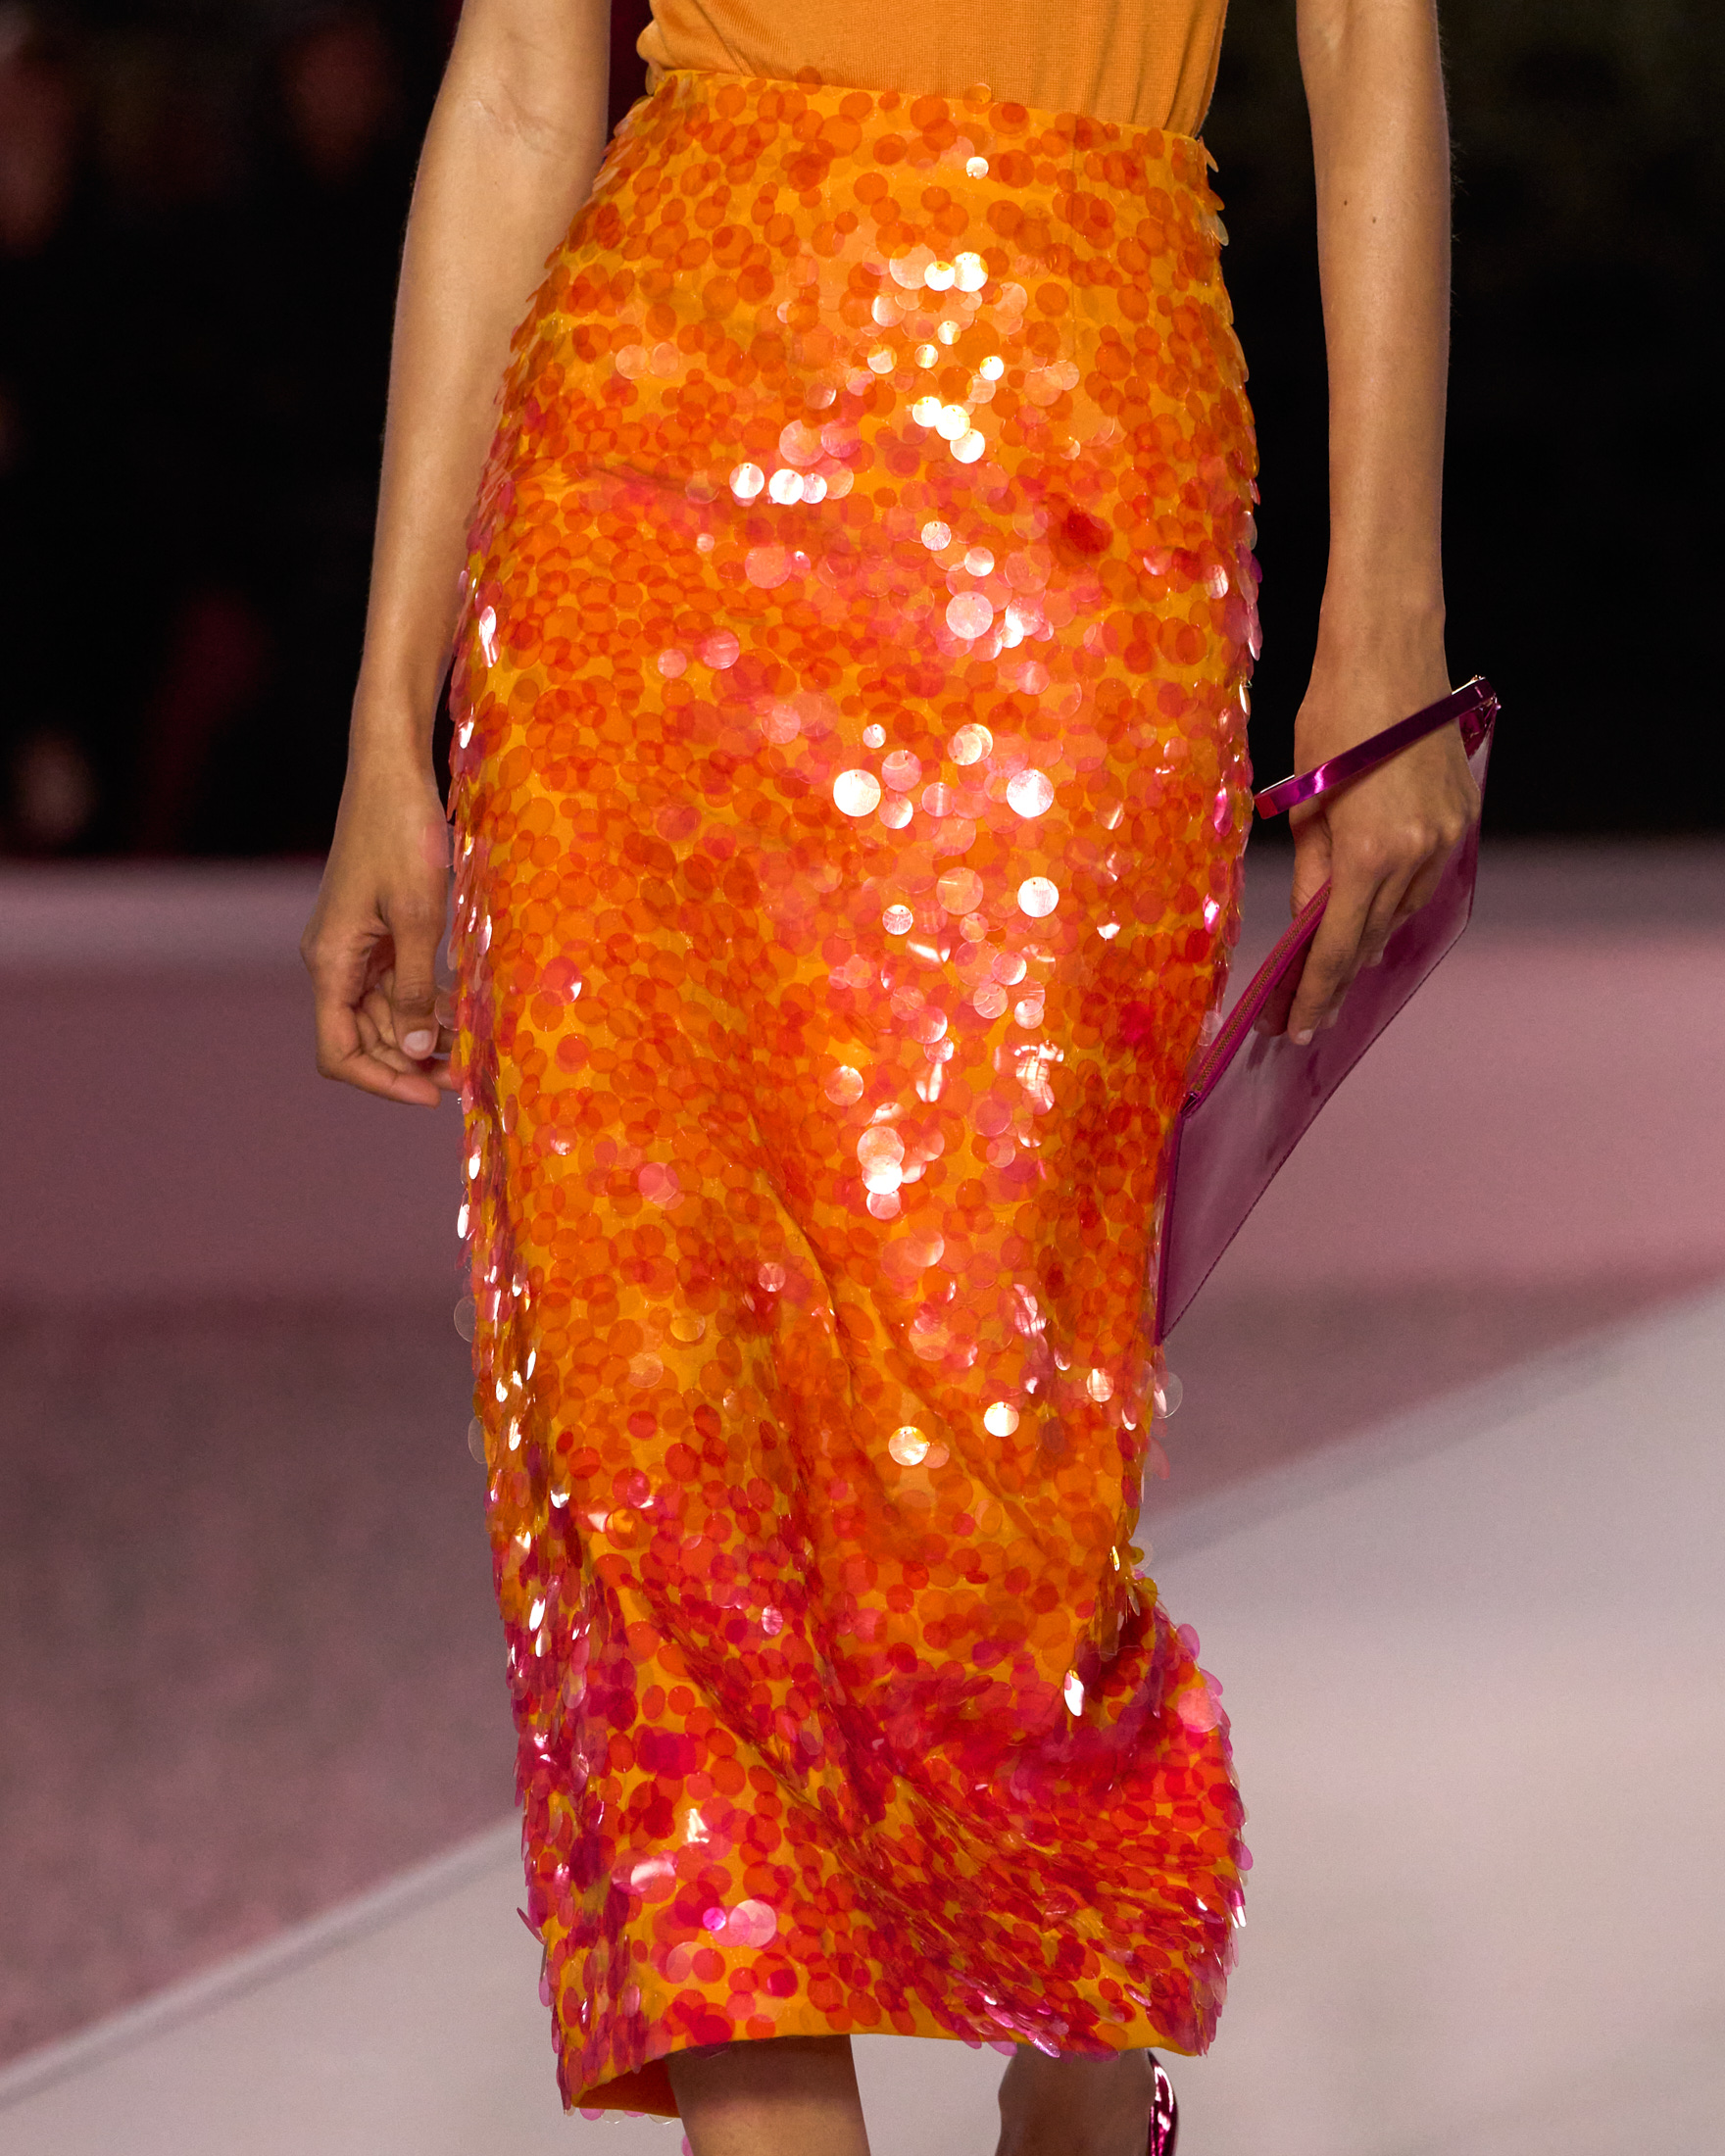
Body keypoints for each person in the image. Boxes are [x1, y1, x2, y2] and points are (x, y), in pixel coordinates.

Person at [302, 2, 1475, 2149]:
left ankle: (1087, 2025)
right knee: (650, 1442)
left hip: (1067, 482)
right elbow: (527, 90)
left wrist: (1381, 610)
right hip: (635, 492)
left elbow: (1366, 43)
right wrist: (390, 716)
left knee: (996, 1427)